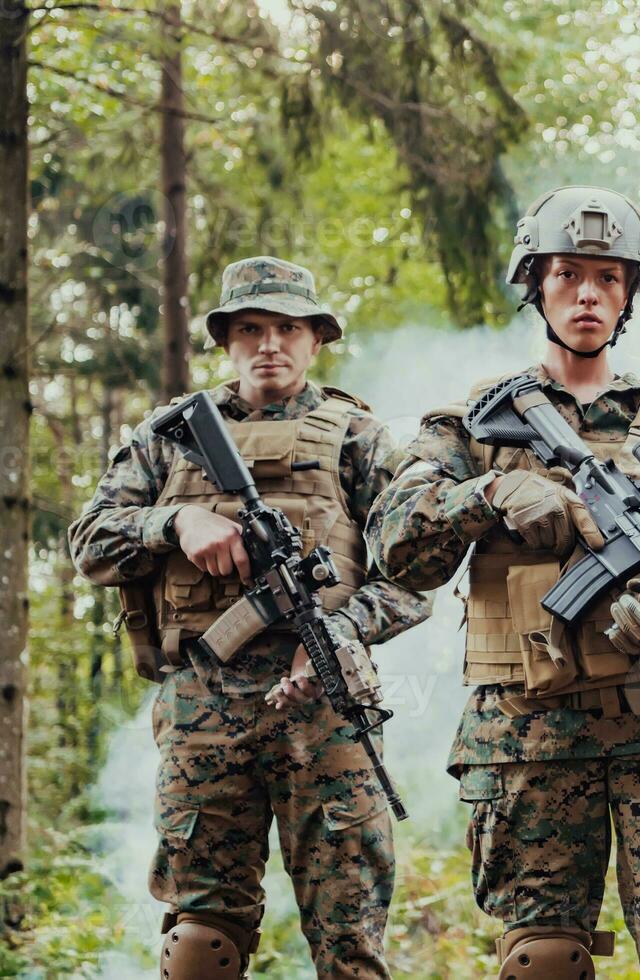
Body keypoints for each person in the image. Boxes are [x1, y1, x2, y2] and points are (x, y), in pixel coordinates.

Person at [366, 186, 640, 980]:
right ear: (535, 284)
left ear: (629, 295)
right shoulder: (472, 423)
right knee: (541, 960)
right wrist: (485, 495)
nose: (588, 293)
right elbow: (395, 547)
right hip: (530, 738)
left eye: (609, 278)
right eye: (568, 274)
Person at [69, 256, 430, 979]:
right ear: (226, 341)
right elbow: (89, 541)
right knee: (201, 941)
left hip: (327, 707)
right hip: (203, 708)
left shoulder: (357, 437)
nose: (270, 343)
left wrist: (340, 628)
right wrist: (175, 524)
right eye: (251, 328)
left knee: (350, 941)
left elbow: (415, 572)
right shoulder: (168, 437)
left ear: (316, 339)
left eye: (288, 327)